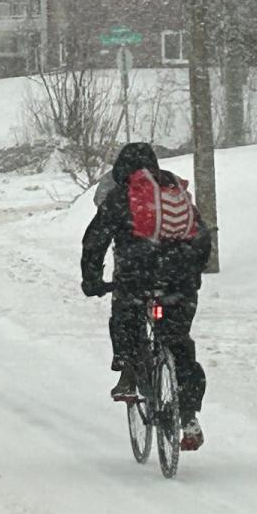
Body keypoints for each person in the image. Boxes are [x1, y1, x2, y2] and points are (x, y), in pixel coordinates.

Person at [81, 142, 211, 451]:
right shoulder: (173, 192)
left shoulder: (121, 196)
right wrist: (191, 273)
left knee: (126, 314)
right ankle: (189, 415)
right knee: (178, 343)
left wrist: (92, 280)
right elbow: (201, 236)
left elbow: (95, 241)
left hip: (137, 278)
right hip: (178, 281)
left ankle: (127, 370)